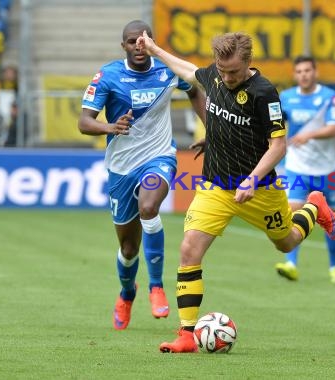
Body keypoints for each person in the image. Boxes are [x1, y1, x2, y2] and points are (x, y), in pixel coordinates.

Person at [136, 31, 335, 353]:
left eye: (233, 71)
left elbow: (278, 146)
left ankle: (314, 208)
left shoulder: (264, 93)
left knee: (285, 241)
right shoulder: (215, 76)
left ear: (248, 63)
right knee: (189, 248)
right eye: (221, 70)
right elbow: (189, 71)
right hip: (215, 186)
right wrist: (154, 49)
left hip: (259, 189)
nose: (226, 77)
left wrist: (252, 179)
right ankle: (187, 336)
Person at [78, 20, 206, 330]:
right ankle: (126, 292)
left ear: (150, 41)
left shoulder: (167, 70)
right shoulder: (108, 75)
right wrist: (110, 127)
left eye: (142, 39)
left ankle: (156, 287)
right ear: (123, 46)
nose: (137, 44)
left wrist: (211, 130)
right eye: (131, 40)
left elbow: (196, 90)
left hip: (159, 157)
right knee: (128, 248)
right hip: (121, 166)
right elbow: (84, 122)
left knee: (149, 207)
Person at [275, 55, 335, 283]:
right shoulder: (286, 97)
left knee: (331, 218)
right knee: (294, 212)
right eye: (299, 71)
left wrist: (308, 134)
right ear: (295, 75)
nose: (304, 75)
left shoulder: (328, 97)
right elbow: (274, 125)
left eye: (307, 70)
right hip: (297, 166)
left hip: (326, 168)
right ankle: (291, 263)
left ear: (315, 72)